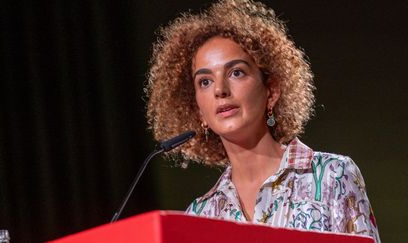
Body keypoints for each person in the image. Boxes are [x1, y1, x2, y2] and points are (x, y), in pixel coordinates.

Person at [145, 0, 380, 242]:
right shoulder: (200, 215)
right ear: (199, 111)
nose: (220, 90)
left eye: (236, 72)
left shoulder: (332, 176)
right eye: (205, 81)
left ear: (271, 90)